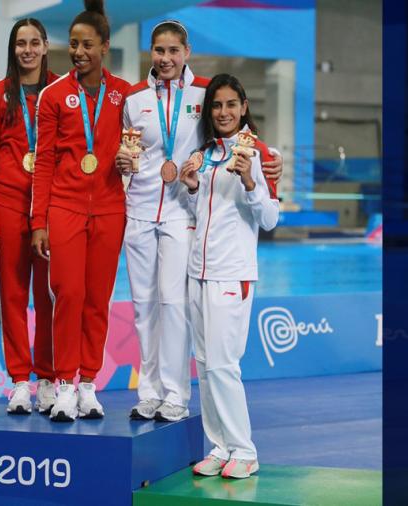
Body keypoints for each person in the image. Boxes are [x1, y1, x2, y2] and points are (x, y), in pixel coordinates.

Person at [116, 21, 284, 423]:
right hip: (139, 210)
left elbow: (236, 130)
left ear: (186, 51)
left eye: (174, 50)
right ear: (150, 52)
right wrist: (121, 163)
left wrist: (269, 154)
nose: (166, 58)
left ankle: (175, 393)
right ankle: (150, 391)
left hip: (182, 212)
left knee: (173, 305)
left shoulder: (205, 92)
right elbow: (125, 149)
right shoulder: (135, 98)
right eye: (159, 50)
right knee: (143, 308)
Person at [31, 0, 130, 422]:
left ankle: (89, 384)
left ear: (105, 46)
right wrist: (39, 221)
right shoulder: (53, 96)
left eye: (87, 44)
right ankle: (64, 383)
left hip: (109, 210)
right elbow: (45, 161)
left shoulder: (125, 94)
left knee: (97, 300)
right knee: (67, 295)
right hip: (66, 209)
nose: (78, 52)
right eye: (73, 44)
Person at [178, 73, 279, 479]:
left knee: (223, 365)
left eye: (230, 105)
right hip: (198, 274)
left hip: (231, 275)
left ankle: (245, 450)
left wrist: (252, 181)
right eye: (216, 106)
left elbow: (270, 220)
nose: (223, 112)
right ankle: (220, 447)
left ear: (244, 107)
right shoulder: (205, 154)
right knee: (204, 365)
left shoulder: (258, 153)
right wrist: (189, 189)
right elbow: (200, 217)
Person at [0, 19, 59, 415]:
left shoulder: (62, 91)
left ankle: (47, 378)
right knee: (12, 298)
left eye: (33, 43)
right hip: (8, 209)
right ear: (13, 50)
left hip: (50, 211)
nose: (27, 50)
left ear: (45, 46)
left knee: (47, 298)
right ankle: (19, 381)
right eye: (20, 44)